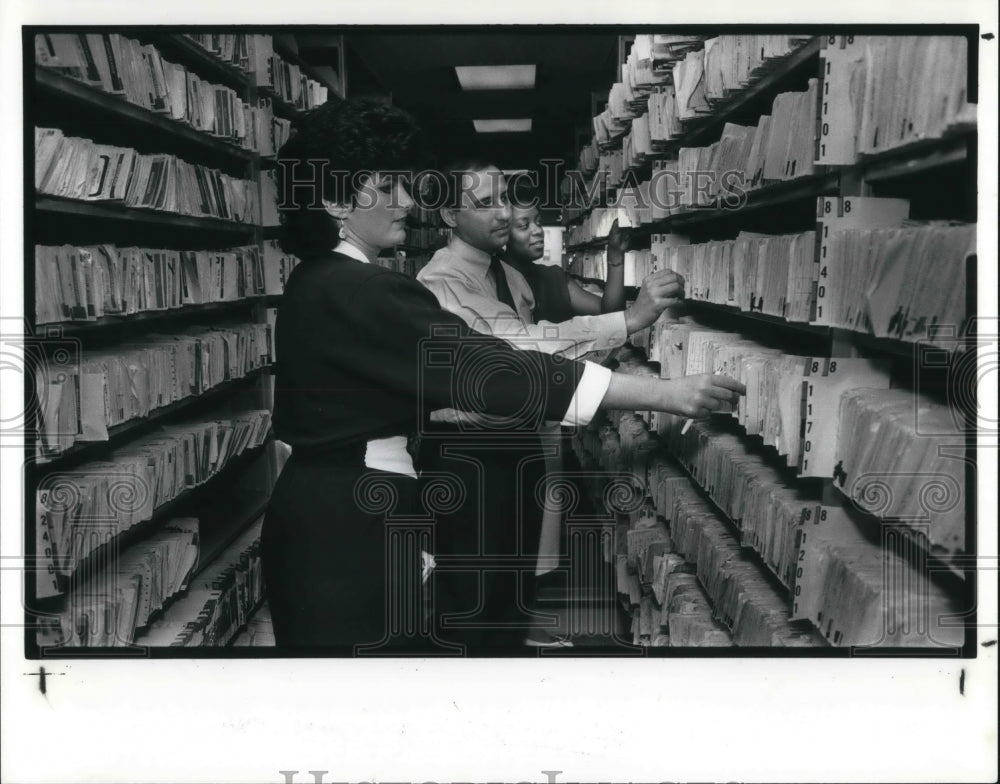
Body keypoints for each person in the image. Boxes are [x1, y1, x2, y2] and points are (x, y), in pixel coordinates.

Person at [263, 98, 744, 654]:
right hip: (346, 527)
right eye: (387, 186)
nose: (407, 201)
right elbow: (494, 369)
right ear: (334, 199)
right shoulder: (357, 289)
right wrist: (663, 394)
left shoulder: (319, 281)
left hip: (329, 510)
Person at [415, 160, 685, 650]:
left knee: (512, 588)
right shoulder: (443, 281)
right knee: (473, 598)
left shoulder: (509, 275)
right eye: (484, 203)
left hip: (516, 444)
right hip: (468, 454)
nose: (501, 213)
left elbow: (547, 358)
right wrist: (629, 319)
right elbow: (520, 350)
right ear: (449, 215)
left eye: (503, 197)